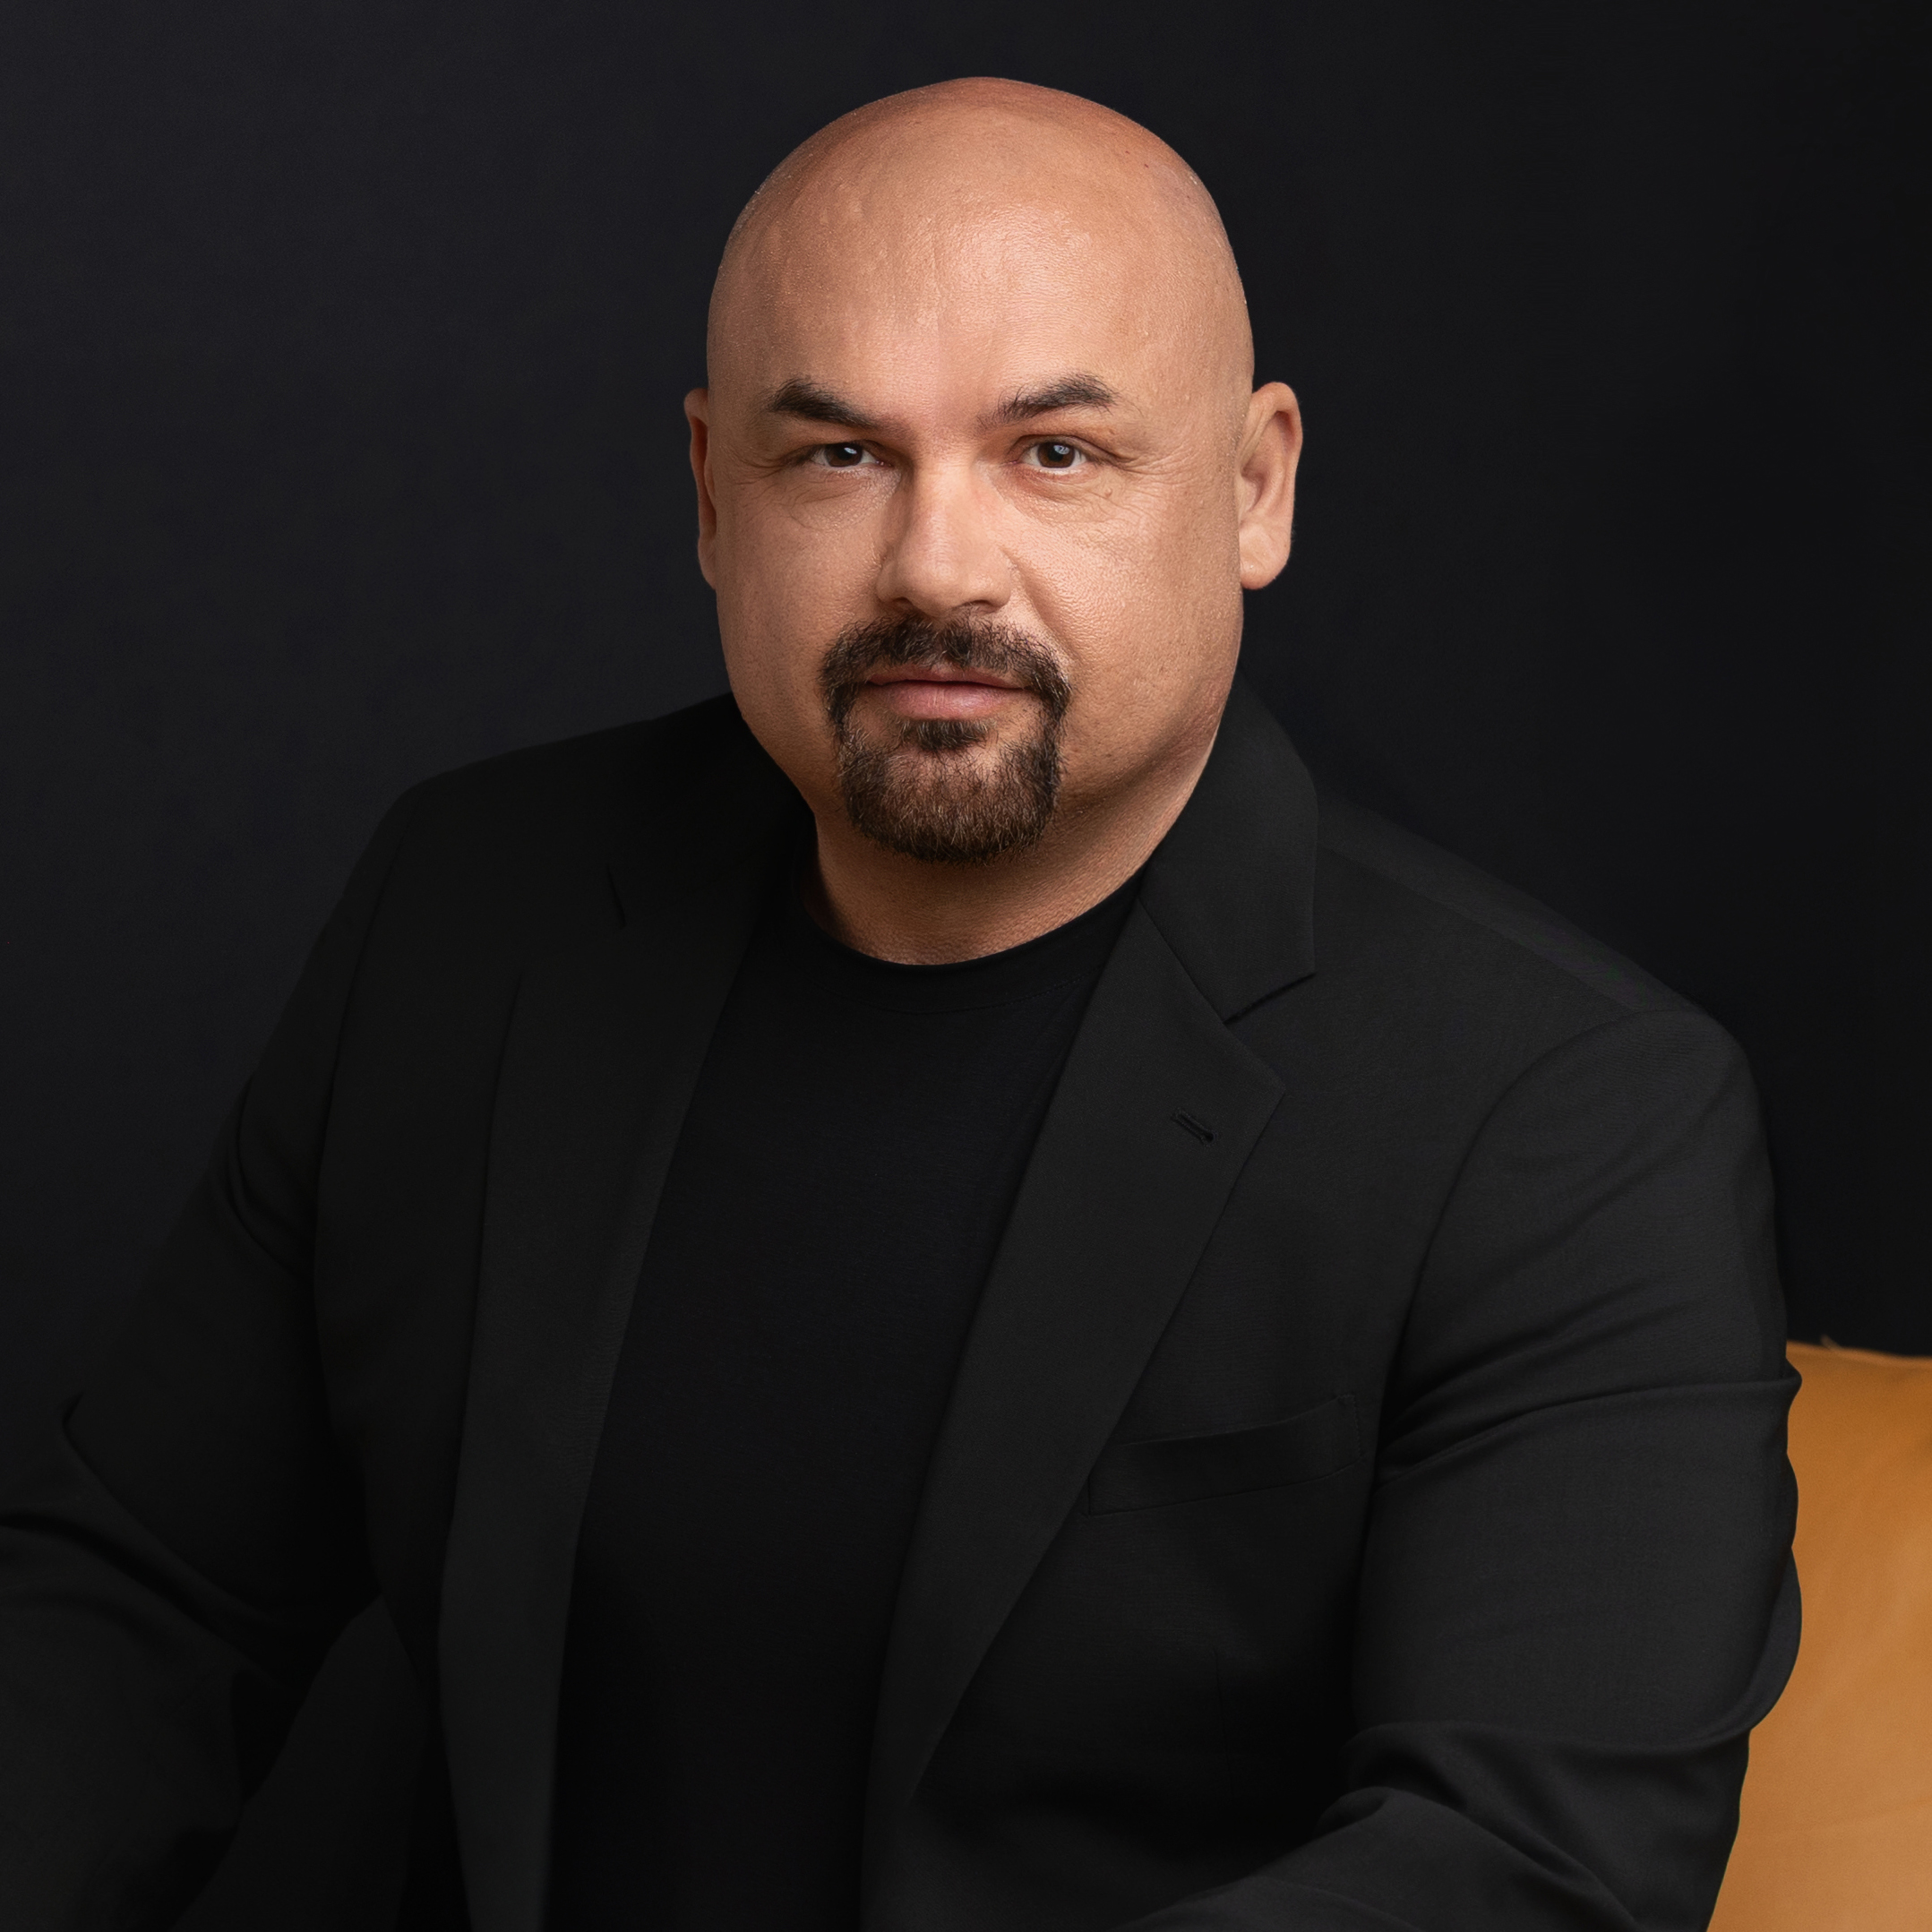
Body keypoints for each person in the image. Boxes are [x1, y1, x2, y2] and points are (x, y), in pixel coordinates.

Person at [0, 78, 1796, 1932]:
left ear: (1253, 487)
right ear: (713, 492)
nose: (937, 564)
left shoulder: (1560, 1115)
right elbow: (139, 1593)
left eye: (1053, 453)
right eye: (841, 454)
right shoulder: (474, 911)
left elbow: (1522, 1870)